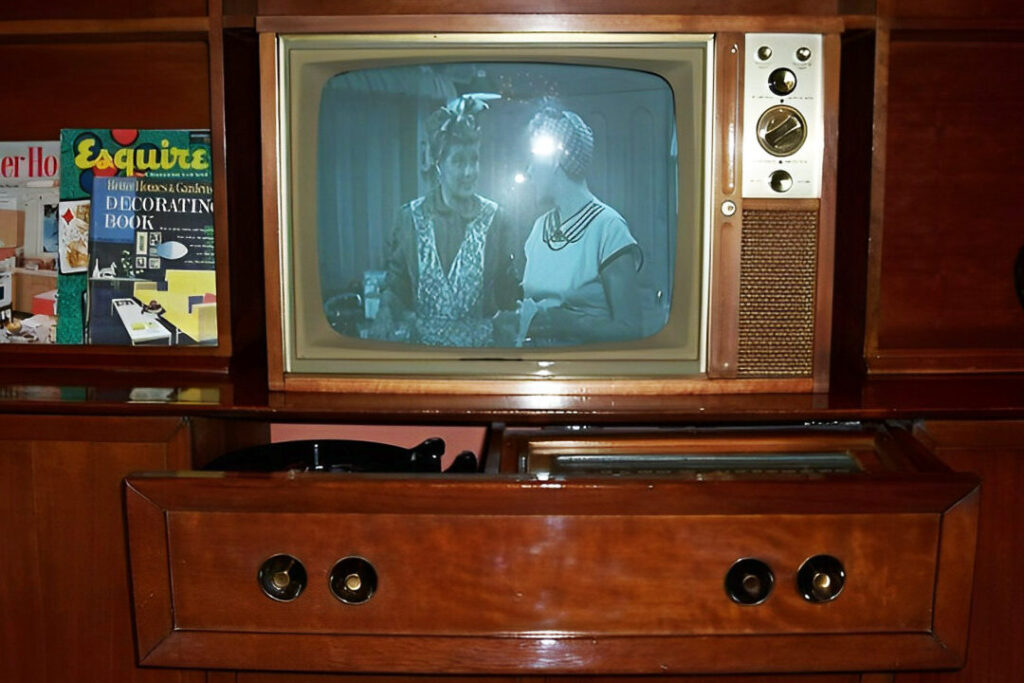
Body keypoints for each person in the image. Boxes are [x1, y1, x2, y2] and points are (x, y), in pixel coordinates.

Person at [371, 94, 521, 347]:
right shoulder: (410, 218)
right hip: (425, 359)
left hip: (481, 358)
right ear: (438, 164)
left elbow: (508, 293)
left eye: (474, 160)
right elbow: (396, 286)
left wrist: (517, 317)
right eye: (459, 161)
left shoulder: (496, 219)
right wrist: (385, 312)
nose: (469, 172)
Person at [518, 107, 642, 346]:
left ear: (553, 160)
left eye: (533, 159)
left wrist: (566, 323)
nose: (529, 171)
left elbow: (631, 329)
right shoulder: (538, 229)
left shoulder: (609, 228)